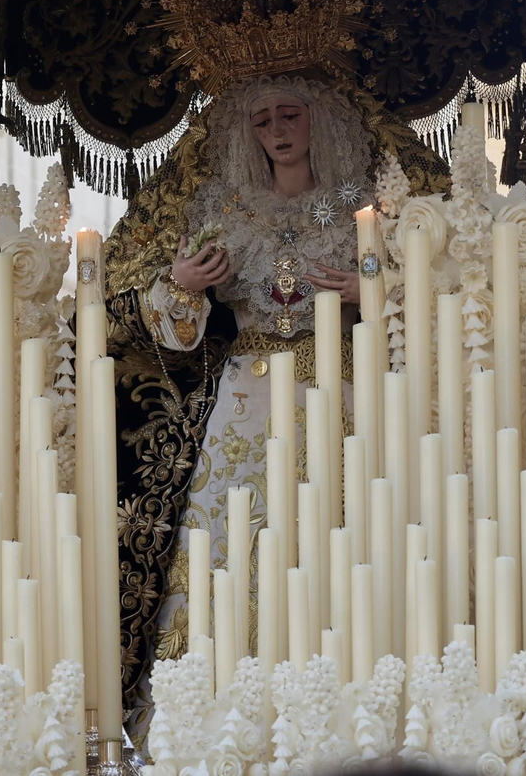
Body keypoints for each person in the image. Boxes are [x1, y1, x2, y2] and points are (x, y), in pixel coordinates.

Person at [101, 72, 449, 709]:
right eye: (262, 120)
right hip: (243, 397)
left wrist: (376, 292)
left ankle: (343, 695)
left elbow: (424, 298)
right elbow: (174, 338)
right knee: (228, 539)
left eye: (290, 114)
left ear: (323, 120)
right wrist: (183, 284)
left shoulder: (369, 209)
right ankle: (215, 702)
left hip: (343, 387)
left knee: (338, 532)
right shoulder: (218, 209)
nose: (278, 130)